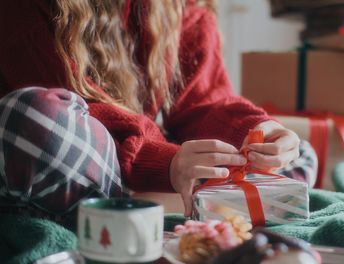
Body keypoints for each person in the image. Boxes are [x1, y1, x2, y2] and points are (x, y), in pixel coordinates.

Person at [0, 0, 314, 221]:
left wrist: (259, 132)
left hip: (129, 164)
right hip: (78, 152)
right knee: (37, 120)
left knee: (299, 151)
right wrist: (165, 163)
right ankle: (186, 196)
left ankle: (176, 194)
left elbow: (203, 102)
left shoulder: (181, 7)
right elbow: (77, 110)